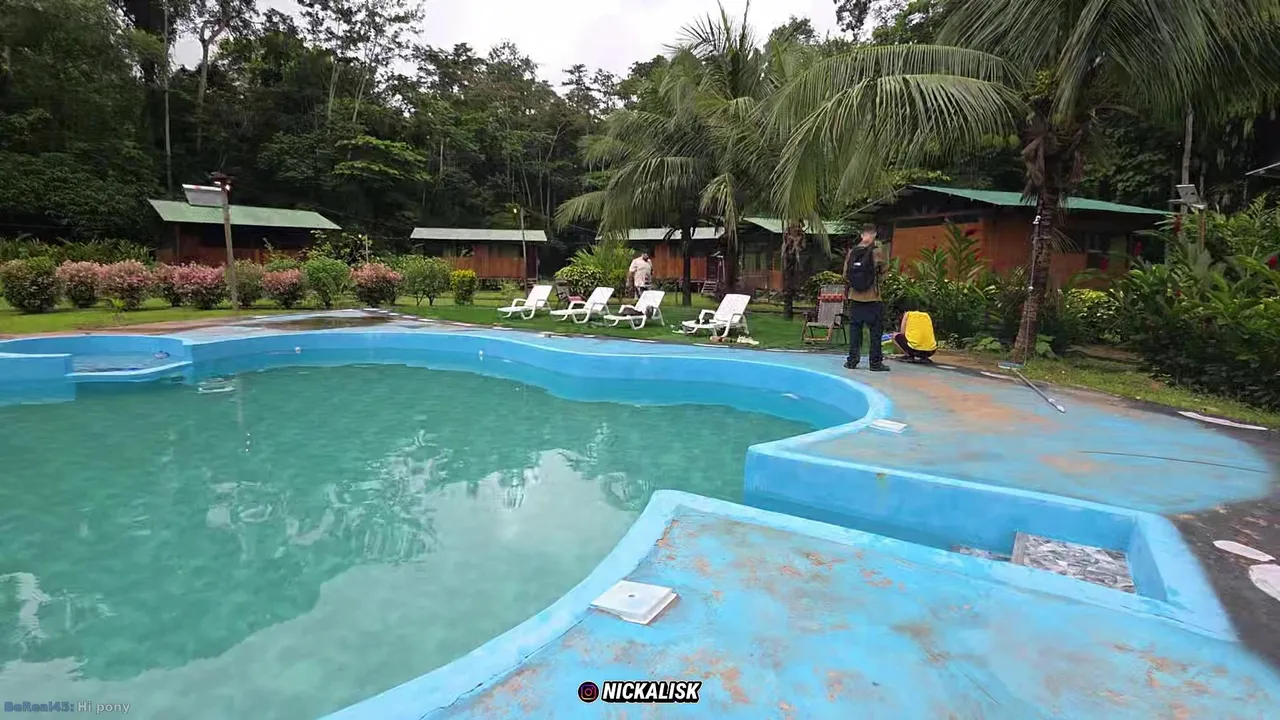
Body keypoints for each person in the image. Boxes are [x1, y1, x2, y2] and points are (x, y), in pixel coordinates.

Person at [843, 224, 890, 372]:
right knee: (875, 332)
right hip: (873, 298)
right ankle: (875, 363)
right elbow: (884, 273)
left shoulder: (852, 252)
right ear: (874, 235)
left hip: (855, 297)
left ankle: (852, 361)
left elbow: (845, 274)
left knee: (855, 330)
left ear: (862, 235)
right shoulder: (877, 251)